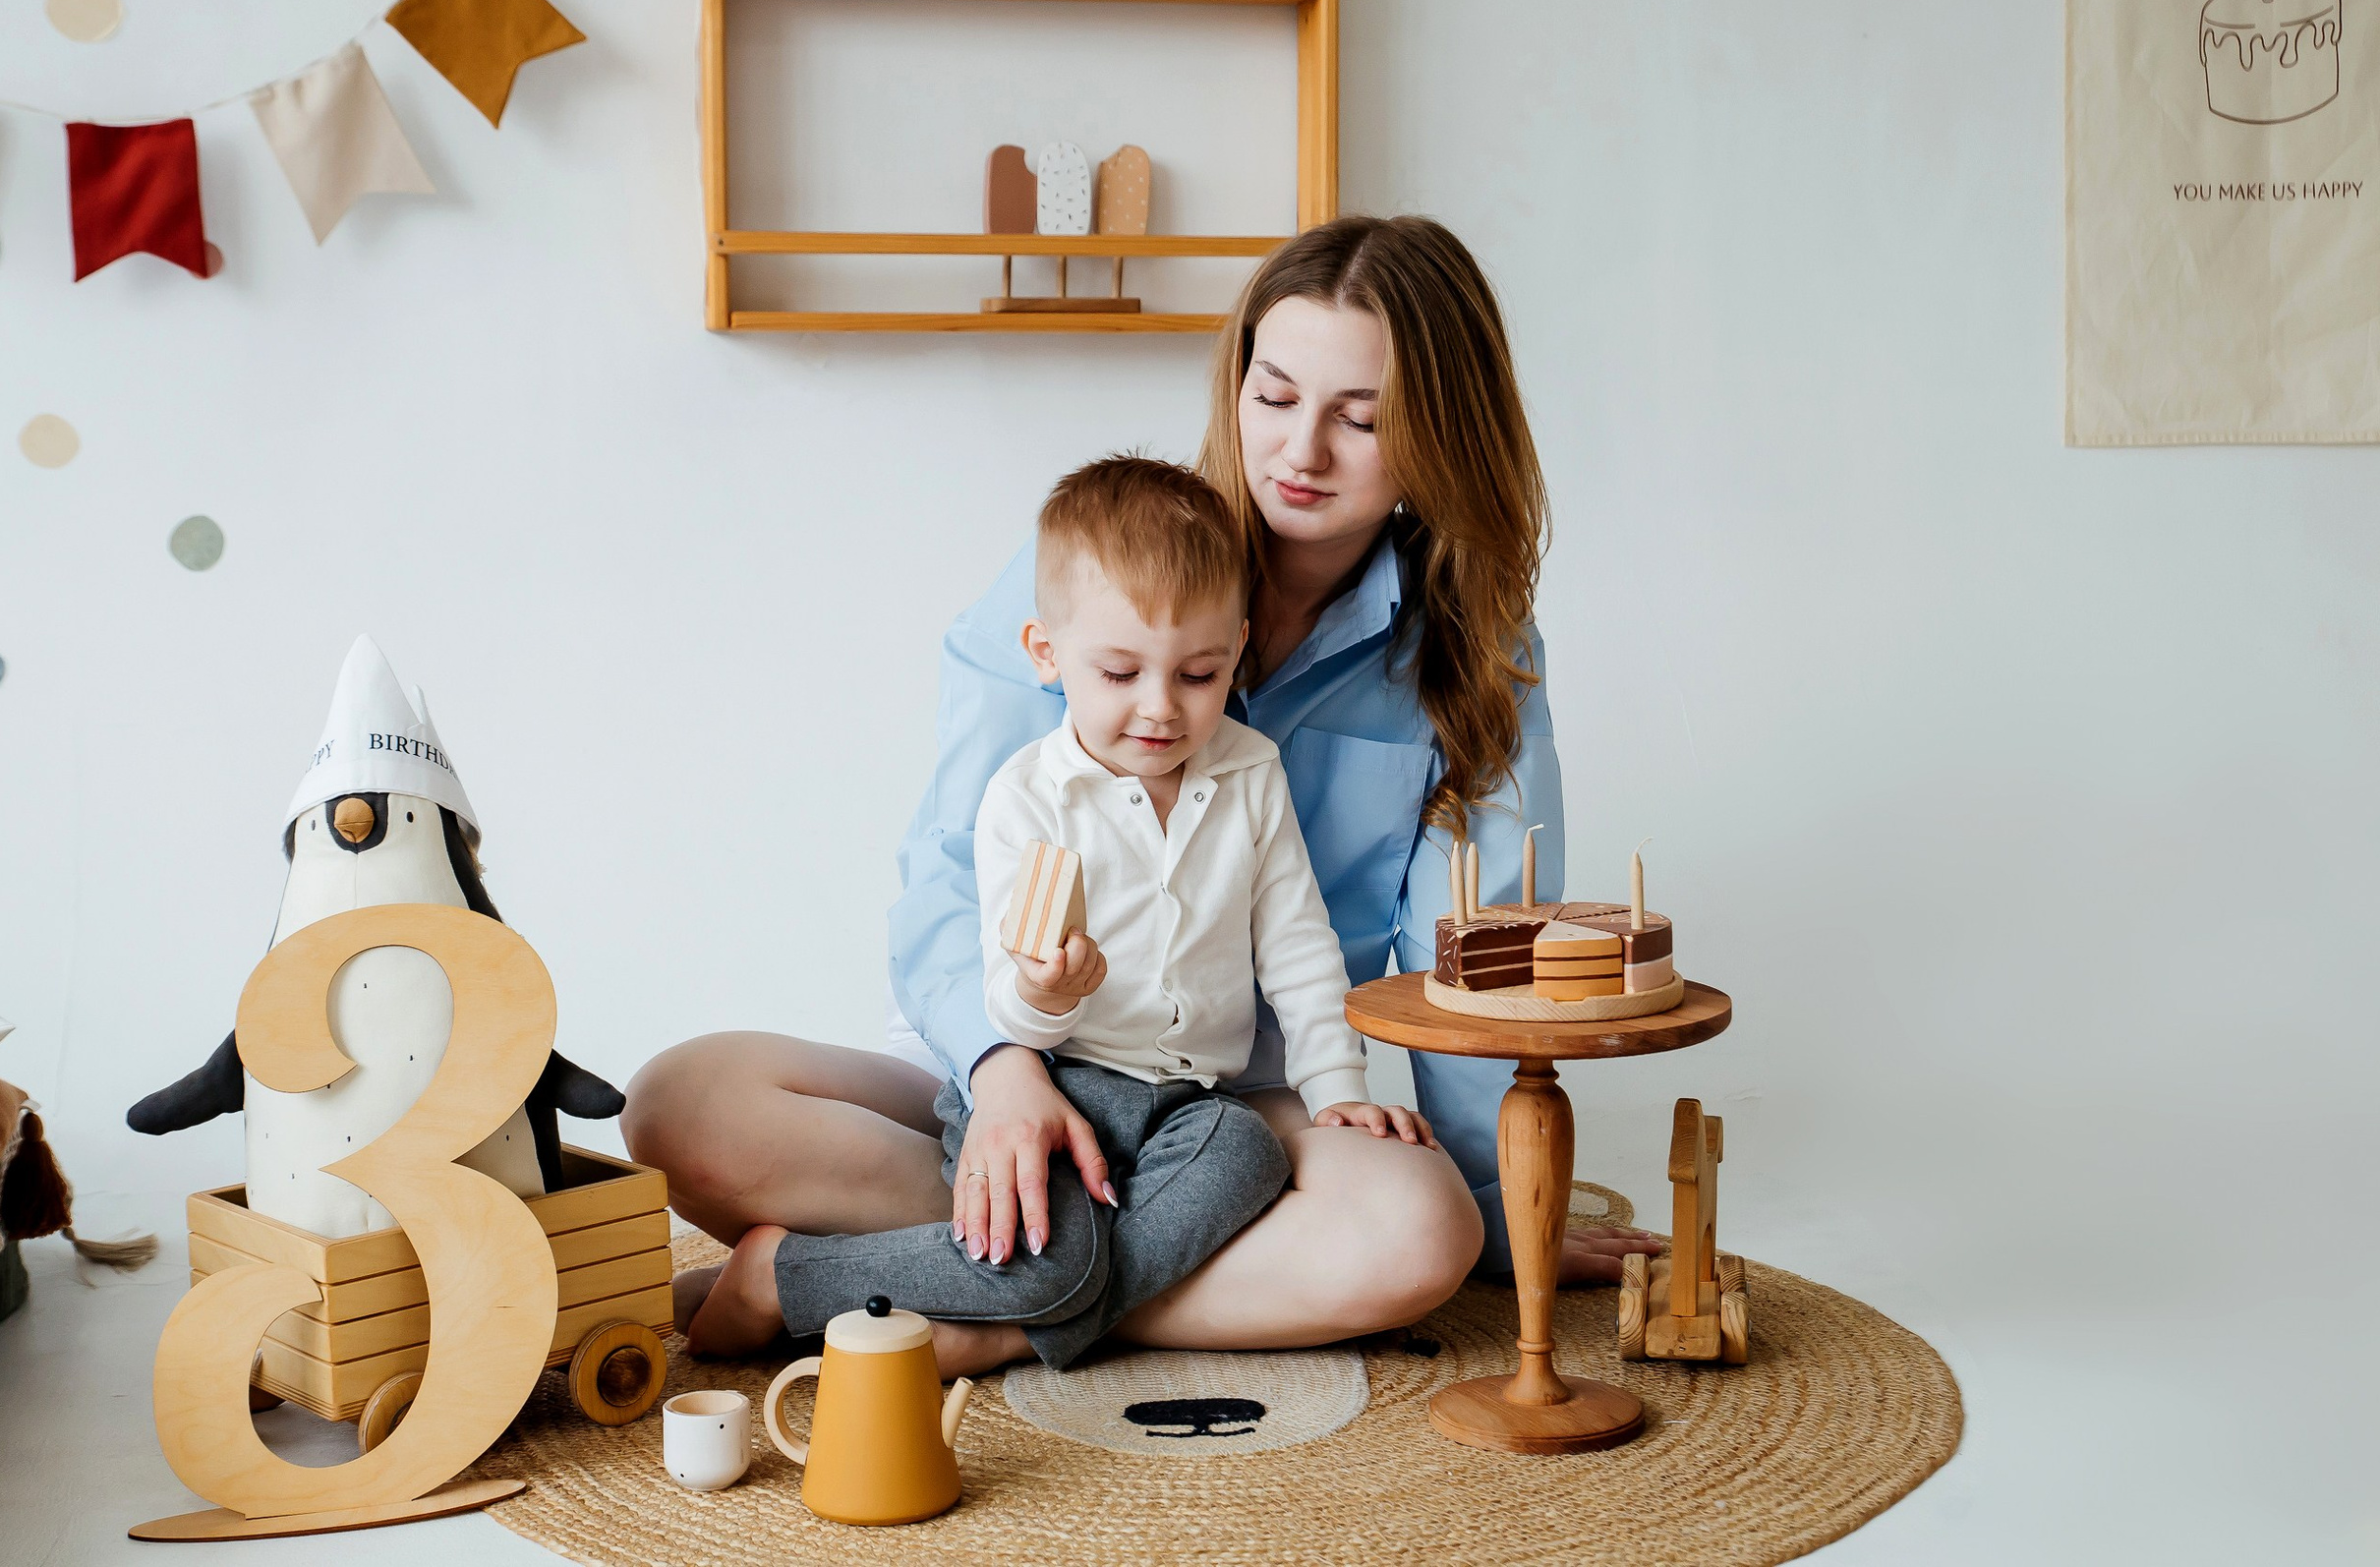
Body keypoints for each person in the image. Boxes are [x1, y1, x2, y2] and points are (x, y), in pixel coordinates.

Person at [626, 215, 1656, 1371]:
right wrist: (1005, 1074)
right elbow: (953, 871)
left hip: (1242, 1106)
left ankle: (964, 1303)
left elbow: (1477, 944)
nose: (1300, 451)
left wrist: (1490, 1200)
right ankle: (1057, 1246)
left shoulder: (1474, 646)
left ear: (1440, 435)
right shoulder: (1086, 573)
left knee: (1423, 1232)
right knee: (678, 1105)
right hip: (1018, 1058)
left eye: (1359, 419)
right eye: (1273, 396)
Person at [681, 457, 1437, 1372]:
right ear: (1046, 652)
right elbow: (1008, 994)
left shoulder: (1250, 773)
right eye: (1119, 672)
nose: (1160, 708)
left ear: (1236, 647)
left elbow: (1298, 945)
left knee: (1246, 1157)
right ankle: (794, 1277)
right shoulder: (1028, 795)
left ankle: (827, 1282)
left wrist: (1339, 1093)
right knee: (1058, 1249)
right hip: (1060, 1079)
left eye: (1199, 674)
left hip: (1192, 1102)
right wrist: (1045, 994)